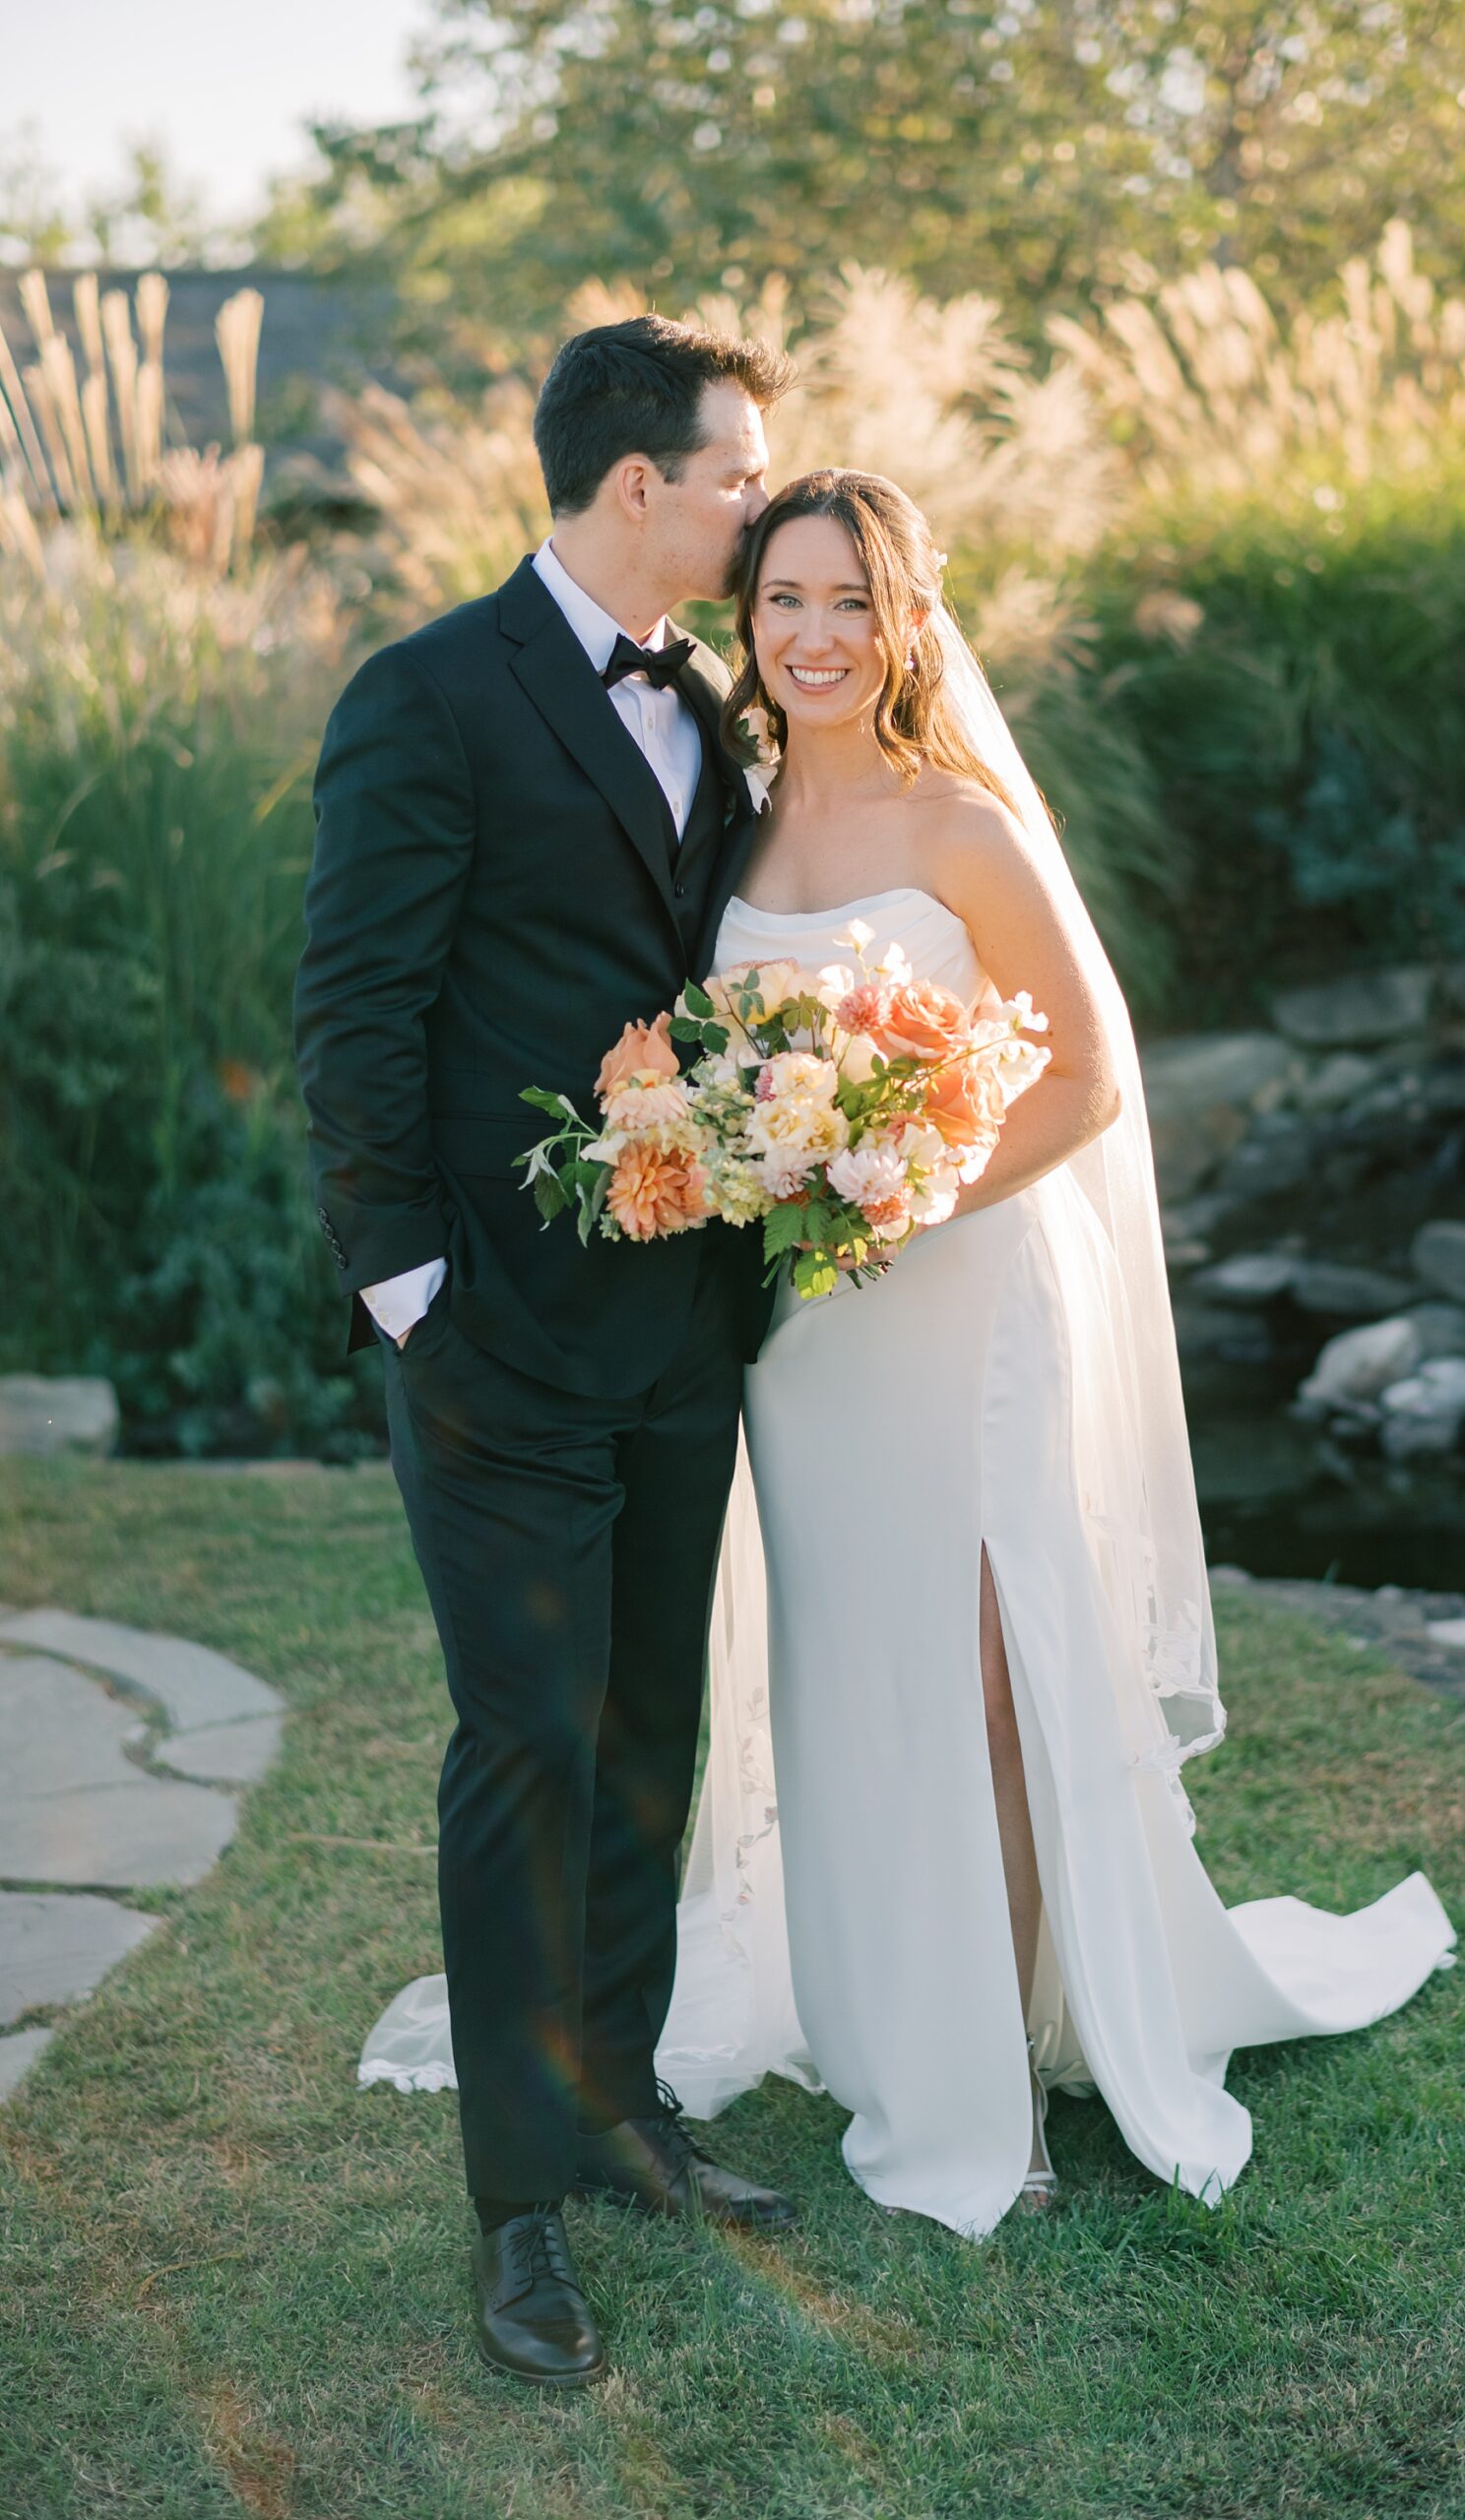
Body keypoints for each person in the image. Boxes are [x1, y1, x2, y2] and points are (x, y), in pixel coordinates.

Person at [655, 469, 1460, 2235]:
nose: (814, 636)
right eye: (785, 600)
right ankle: (887, 2018)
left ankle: (991, 2078)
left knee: (995, 1672)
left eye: (851, 602)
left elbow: (1087, 1079)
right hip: (806, 1336)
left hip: (955, 1293)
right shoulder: (734, 815)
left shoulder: (965, 828)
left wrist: (894, 1186)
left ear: (905, 619)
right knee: (856, 1667)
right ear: (748, 621)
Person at [294, 314, 798, 2391]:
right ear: (633, 489)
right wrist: (410, 1289)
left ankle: (618, 2104)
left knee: (648, 1730)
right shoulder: (426, 695)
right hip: (496, 1339)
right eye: (739, 479)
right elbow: (355, 1007)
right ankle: (516, 2204)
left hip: (685, 1328)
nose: (758, 509)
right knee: (524, 1744)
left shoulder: (723, 710)